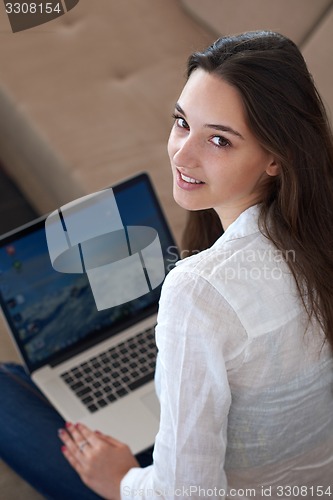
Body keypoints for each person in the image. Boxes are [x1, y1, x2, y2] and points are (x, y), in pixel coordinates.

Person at [1, 29, 333, 499]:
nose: (183, 153)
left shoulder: (197, 290)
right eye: (182, 122)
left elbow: (186, 494)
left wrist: (120, 480)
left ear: (276, 158)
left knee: (6, 389)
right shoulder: (319, 234)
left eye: (219, 140)